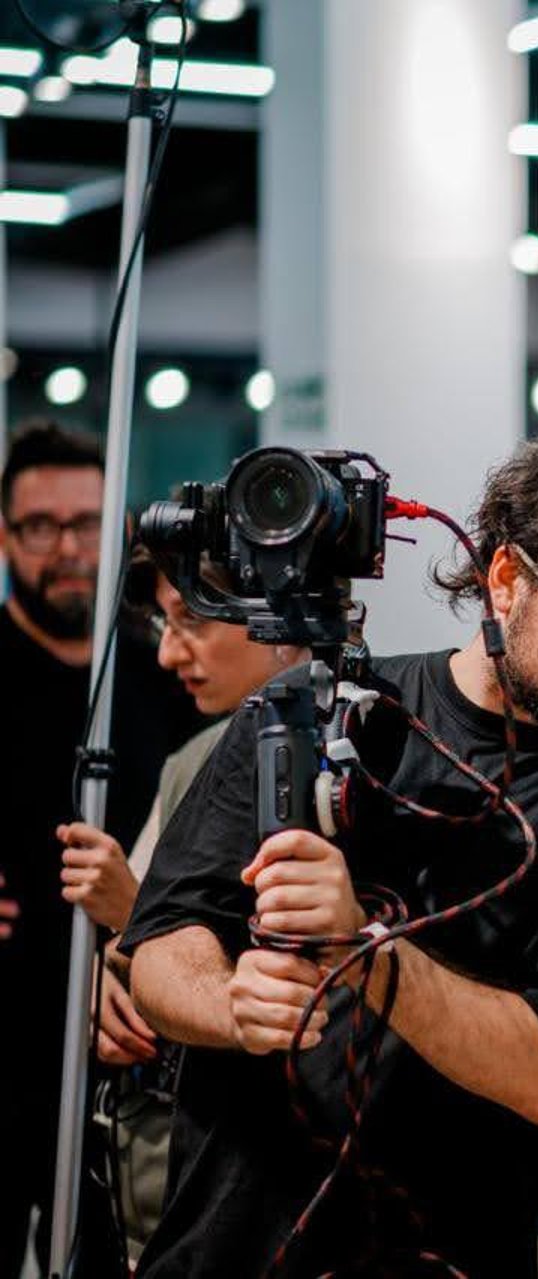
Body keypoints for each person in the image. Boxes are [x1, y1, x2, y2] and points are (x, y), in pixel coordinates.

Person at [118, 439, 538, 1277]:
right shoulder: (306, 712)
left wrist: (363, 947)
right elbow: (161, 945)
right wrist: (230, 1004)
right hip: (224, 1245)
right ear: (505, 579)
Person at [56, 555, 308, 1264]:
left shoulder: (370, 762)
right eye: (165, 624)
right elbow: (132, 962)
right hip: (162, 1186)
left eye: (191, 621)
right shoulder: (192, 762)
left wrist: (135, 912)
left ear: (279, 615)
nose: (169, 652)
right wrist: (114, 970)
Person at [0, 421, 198, 1279]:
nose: (67, 548)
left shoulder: (172, 670)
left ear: (120, 530)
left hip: (128, 1059)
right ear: (7, 537)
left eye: (87, 523)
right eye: (41, 526)